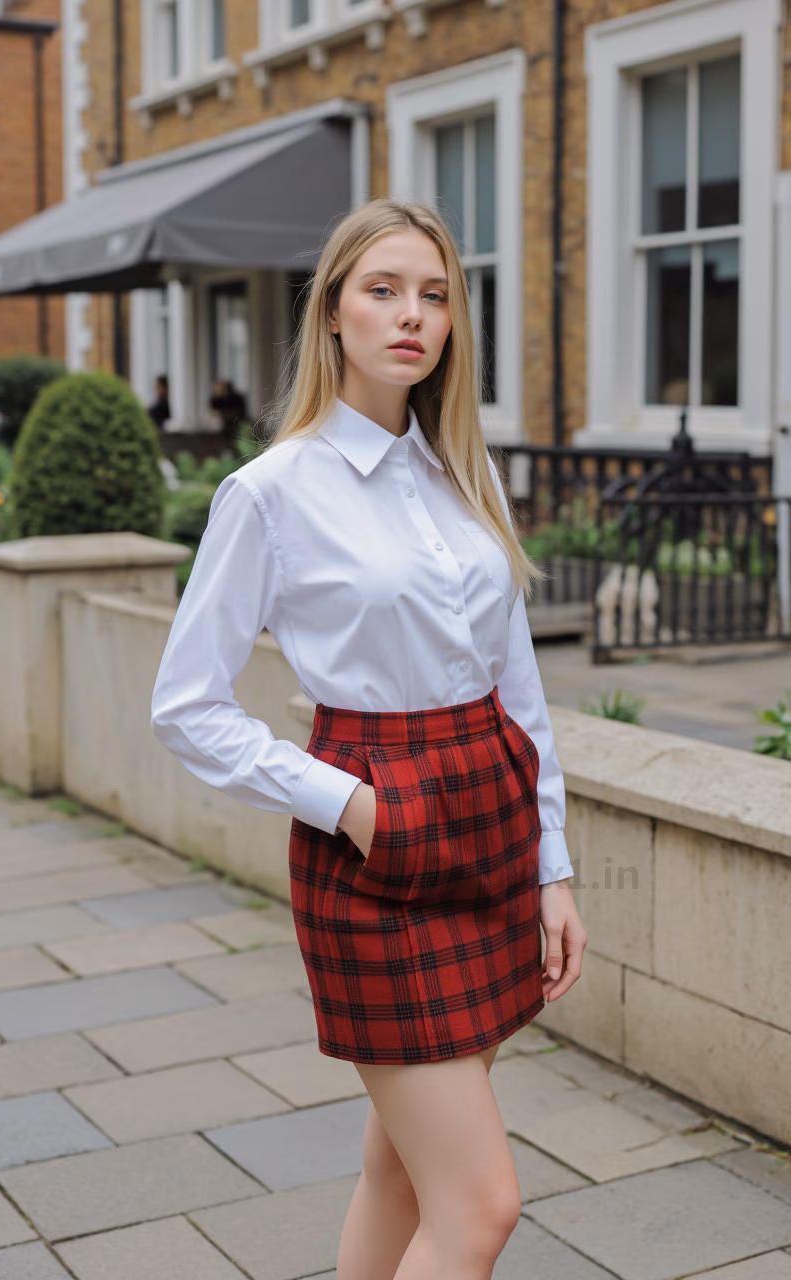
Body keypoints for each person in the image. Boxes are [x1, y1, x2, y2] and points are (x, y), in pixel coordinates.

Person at [150, 198, 588, 1280]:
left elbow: (517, 686)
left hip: (491, 818)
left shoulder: (465, 471)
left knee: (402, 1172)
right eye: (383, 290)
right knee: (480, 1207)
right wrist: (347, 802)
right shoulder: (271, 492)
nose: (412, 315)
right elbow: (186, 704)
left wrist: (554, 865)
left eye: (434, 295)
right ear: (333, 313)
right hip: (379, 843)